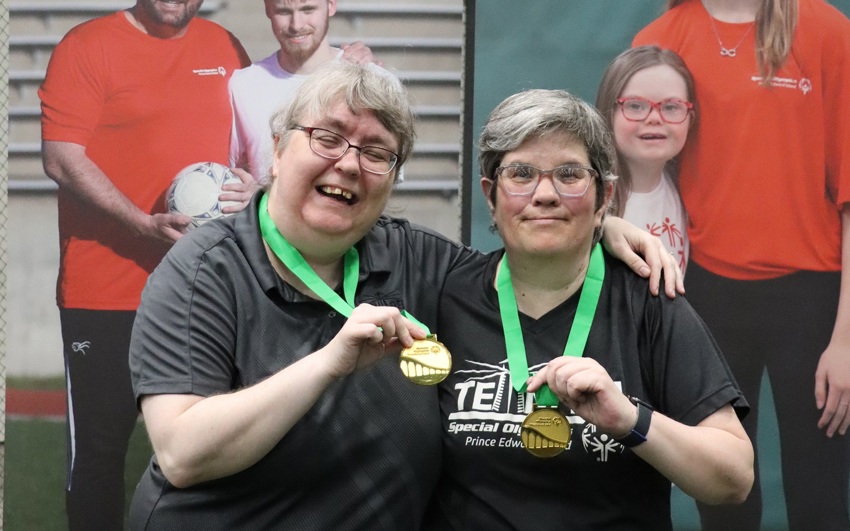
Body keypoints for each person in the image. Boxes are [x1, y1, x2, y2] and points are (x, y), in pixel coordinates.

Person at [127, 63, 684, 528]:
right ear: (276, 150)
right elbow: (181, 453)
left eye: (377, 152)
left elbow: (528, 254)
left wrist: (598, 224)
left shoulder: (420, 261)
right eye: (327, 137)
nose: (348, 163)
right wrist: (328, 365)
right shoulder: (204, 268)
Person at [425, 89, 753, 530]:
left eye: (569, 174)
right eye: (521, 174)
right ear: (490, 194)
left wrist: (629, 419)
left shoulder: (649, 302)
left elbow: (734, 477)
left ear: (604, 196)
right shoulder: (443, 295)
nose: (544, 194)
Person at [634, 1, 850, 528]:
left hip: (815, 301)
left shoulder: (825, 30)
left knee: (820, 494)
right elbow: (629, 164)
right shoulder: (662, 36)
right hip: (702, 294)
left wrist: (846, 340)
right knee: (723, 496)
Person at [38, 1, 250, 528]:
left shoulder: (225, 47)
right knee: (99, 455)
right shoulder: (87, 46)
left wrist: (250, 185)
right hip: (104, 294)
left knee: (208, 456)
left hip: (202, 293)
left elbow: (250, 149)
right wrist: (138, 222)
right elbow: (61, 156)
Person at [229, 0, 385, 182]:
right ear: (267, 9)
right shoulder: (242, 84)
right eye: (283, 11)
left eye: (308, 9)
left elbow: (383, 174)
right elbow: (235, 173)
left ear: (331, 5)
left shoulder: (374, 80)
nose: (296, 25)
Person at [595, 45, 695, 272]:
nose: (654, 118)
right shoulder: (590, 201)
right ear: (608, 114)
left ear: (691, 117)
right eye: (635, 106)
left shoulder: (684, 189)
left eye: (671, 107)